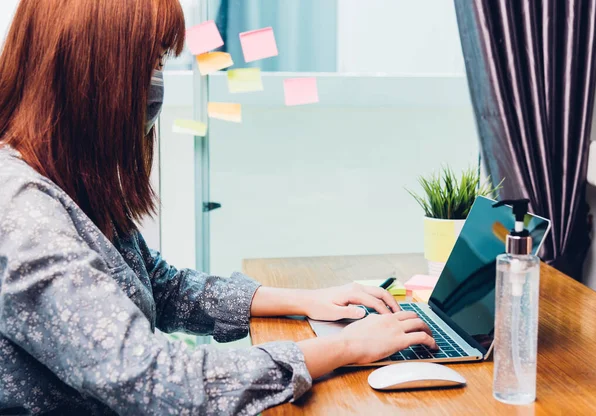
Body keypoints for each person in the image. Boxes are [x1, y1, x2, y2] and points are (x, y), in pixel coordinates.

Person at [0, 0, 436, 414]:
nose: (158, 86)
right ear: (90, 75)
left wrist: (307, 300)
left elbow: (160, 287)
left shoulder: (63, 178)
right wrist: (346, 347)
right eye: (150, 64)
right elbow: (160, 384)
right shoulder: (22, 214)